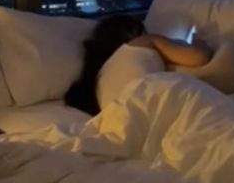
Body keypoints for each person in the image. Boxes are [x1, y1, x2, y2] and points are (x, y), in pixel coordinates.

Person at [65, 14, 211, 116]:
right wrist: (199, 40)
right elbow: (198, 57)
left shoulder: (104, 71)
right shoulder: (143, 42)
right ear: (132, 32)